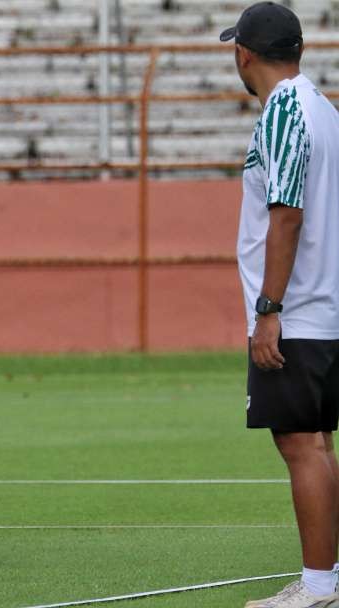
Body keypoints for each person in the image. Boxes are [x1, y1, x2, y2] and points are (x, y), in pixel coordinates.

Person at [223, 4, 339, 607]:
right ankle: (328, 575)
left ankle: (319, 586)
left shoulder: (286, 109)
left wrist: (269, 308)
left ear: (244, 52)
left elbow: (286, 213)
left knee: (300, 442)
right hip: (321, 307)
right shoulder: (321, 107)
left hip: (298, 311)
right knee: (314, 441)